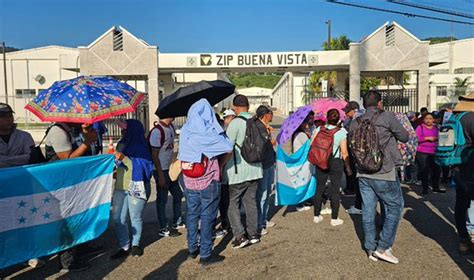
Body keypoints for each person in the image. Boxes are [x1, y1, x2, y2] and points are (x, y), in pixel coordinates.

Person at [349, 91, 409, 264]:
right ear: (380, 103)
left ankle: (369, 247)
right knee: (395, 206)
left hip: (362, 172)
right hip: (384, 171)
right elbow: (404, 137)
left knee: (368, 210)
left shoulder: (355, 122)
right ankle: (383, 247)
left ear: (364, 104)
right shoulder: (387, 117)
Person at [178, 99, 232, 267]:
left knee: (192, 213)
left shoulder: (186, 130)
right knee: (208, 215)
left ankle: (192, 249)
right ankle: (206, 254)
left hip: (189, 179)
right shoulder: (208, 131)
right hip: (208, 179)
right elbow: (228, 147)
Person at [45, 121, 98, 272]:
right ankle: (67, 262)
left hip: (73, 181)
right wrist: (87, 142)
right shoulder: (58, 131)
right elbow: (67, 159)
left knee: (78, 216)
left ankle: (81, 248)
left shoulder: (72, 130)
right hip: (61, 183)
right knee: (67, 220)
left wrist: (87, 134)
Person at [0, 103, 45, 268]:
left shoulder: (25, 136)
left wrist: (4, 161)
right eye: (2, 116)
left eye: (9, 115)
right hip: (1, 190)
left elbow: (31, 158)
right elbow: (24, 158)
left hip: (23, 187)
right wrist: (19, 159)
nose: (7, 119)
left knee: (25, 220)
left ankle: (29, 254)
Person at [223, 94, 263, 248]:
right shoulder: (257, 121)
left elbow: (227, 149)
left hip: (238, 172)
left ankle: (240, 236)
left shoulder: (235, 124)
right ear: (248, 106)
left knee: (232, 203)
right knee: (251, 202)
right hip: (256, 169)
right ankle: (253, 234)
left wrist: (221, 166)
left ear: (235, 107)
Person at [110, 120, 154, 259]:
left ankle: (136, 244)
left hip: (136, 185)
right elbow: (118, 165)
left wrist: (125, 159)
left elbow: (144, 167)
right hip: (120, 186)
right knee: (117, 218)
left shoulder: (143, 147)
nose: (123, 132)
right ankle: (124, 245)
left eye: (125, 129)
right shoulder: (121, 144)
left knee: (135, 217)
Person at [312, 109, 352, 226]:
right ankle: (334, 219)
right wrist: (348, 167)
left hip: (321, 160)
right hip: (336, 161)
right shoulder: (341, 132)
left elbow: (312, 144)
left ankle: (316, 215)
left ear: (327, 118)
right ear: (338, 119)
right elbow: (344, 152)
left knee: (319, 188)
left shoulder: (319, 129)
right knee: (334, 190)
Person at [149, 117, 184, 237]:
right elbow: (154, 154)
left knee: (178, 194)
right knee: (162, 198)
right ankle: (163, 226)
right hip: (161, 169)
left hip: (170, 168)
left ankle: (177, 221)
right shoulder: (157, 131)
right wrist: (160, 174)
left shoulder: (171, 127)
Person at [452, 95, 474, 254]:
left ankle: (463, 240)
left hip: (457, 164)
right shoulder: (472, 118)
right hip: (471, 165)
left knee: (461, 203)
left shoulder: (455, 118)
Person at [255, 105, 276, 235]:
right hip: (262, 165)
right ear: (265, 114)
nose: (272, 115)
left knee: (268, 191)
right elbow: (262, 146)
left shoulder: (266, 127)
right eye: (270, 113)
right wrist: (271, 141)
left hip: (269, 163)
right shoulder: (258, 127)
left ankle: (264, 218)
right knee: (262, 194)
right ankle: (259, 223)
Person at [415, 113, 445, 195]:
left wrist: (437, 138)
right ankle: (425, 189)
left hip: (434, 152)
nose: (428, 120)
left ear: (433, 120)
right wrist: (427, 138)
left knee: (437, 170)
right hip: (422, 152)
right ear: (423, 120)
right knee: (425, 171)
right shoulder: (420, 127)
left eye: (430, 118)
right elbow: (416, 138)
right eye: (426, 118)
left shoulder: (436, 127)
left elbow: (442, 137)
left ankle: (436, 187)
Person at [290, 113, 313, 212]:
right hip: (302, 163)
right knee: (302, 183)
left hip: (299, 162)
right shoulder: (302, 135)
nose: (307, 124)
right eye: (305, 122)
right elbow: (310, 146)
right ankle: (299, 204)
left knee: (301, 182)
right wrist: (310, 137)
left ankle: (302, 202)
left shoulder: (297, 134)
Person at [343, 101, 363, 215]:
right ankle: (360, 204)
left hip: (358, 155)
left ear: (353, 110)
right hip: (362, 155)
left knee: (359, 181)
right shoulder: (358, 119)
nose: (346, 114)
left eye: (347, 111)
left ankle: (359, 206)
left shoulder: (356, 121)